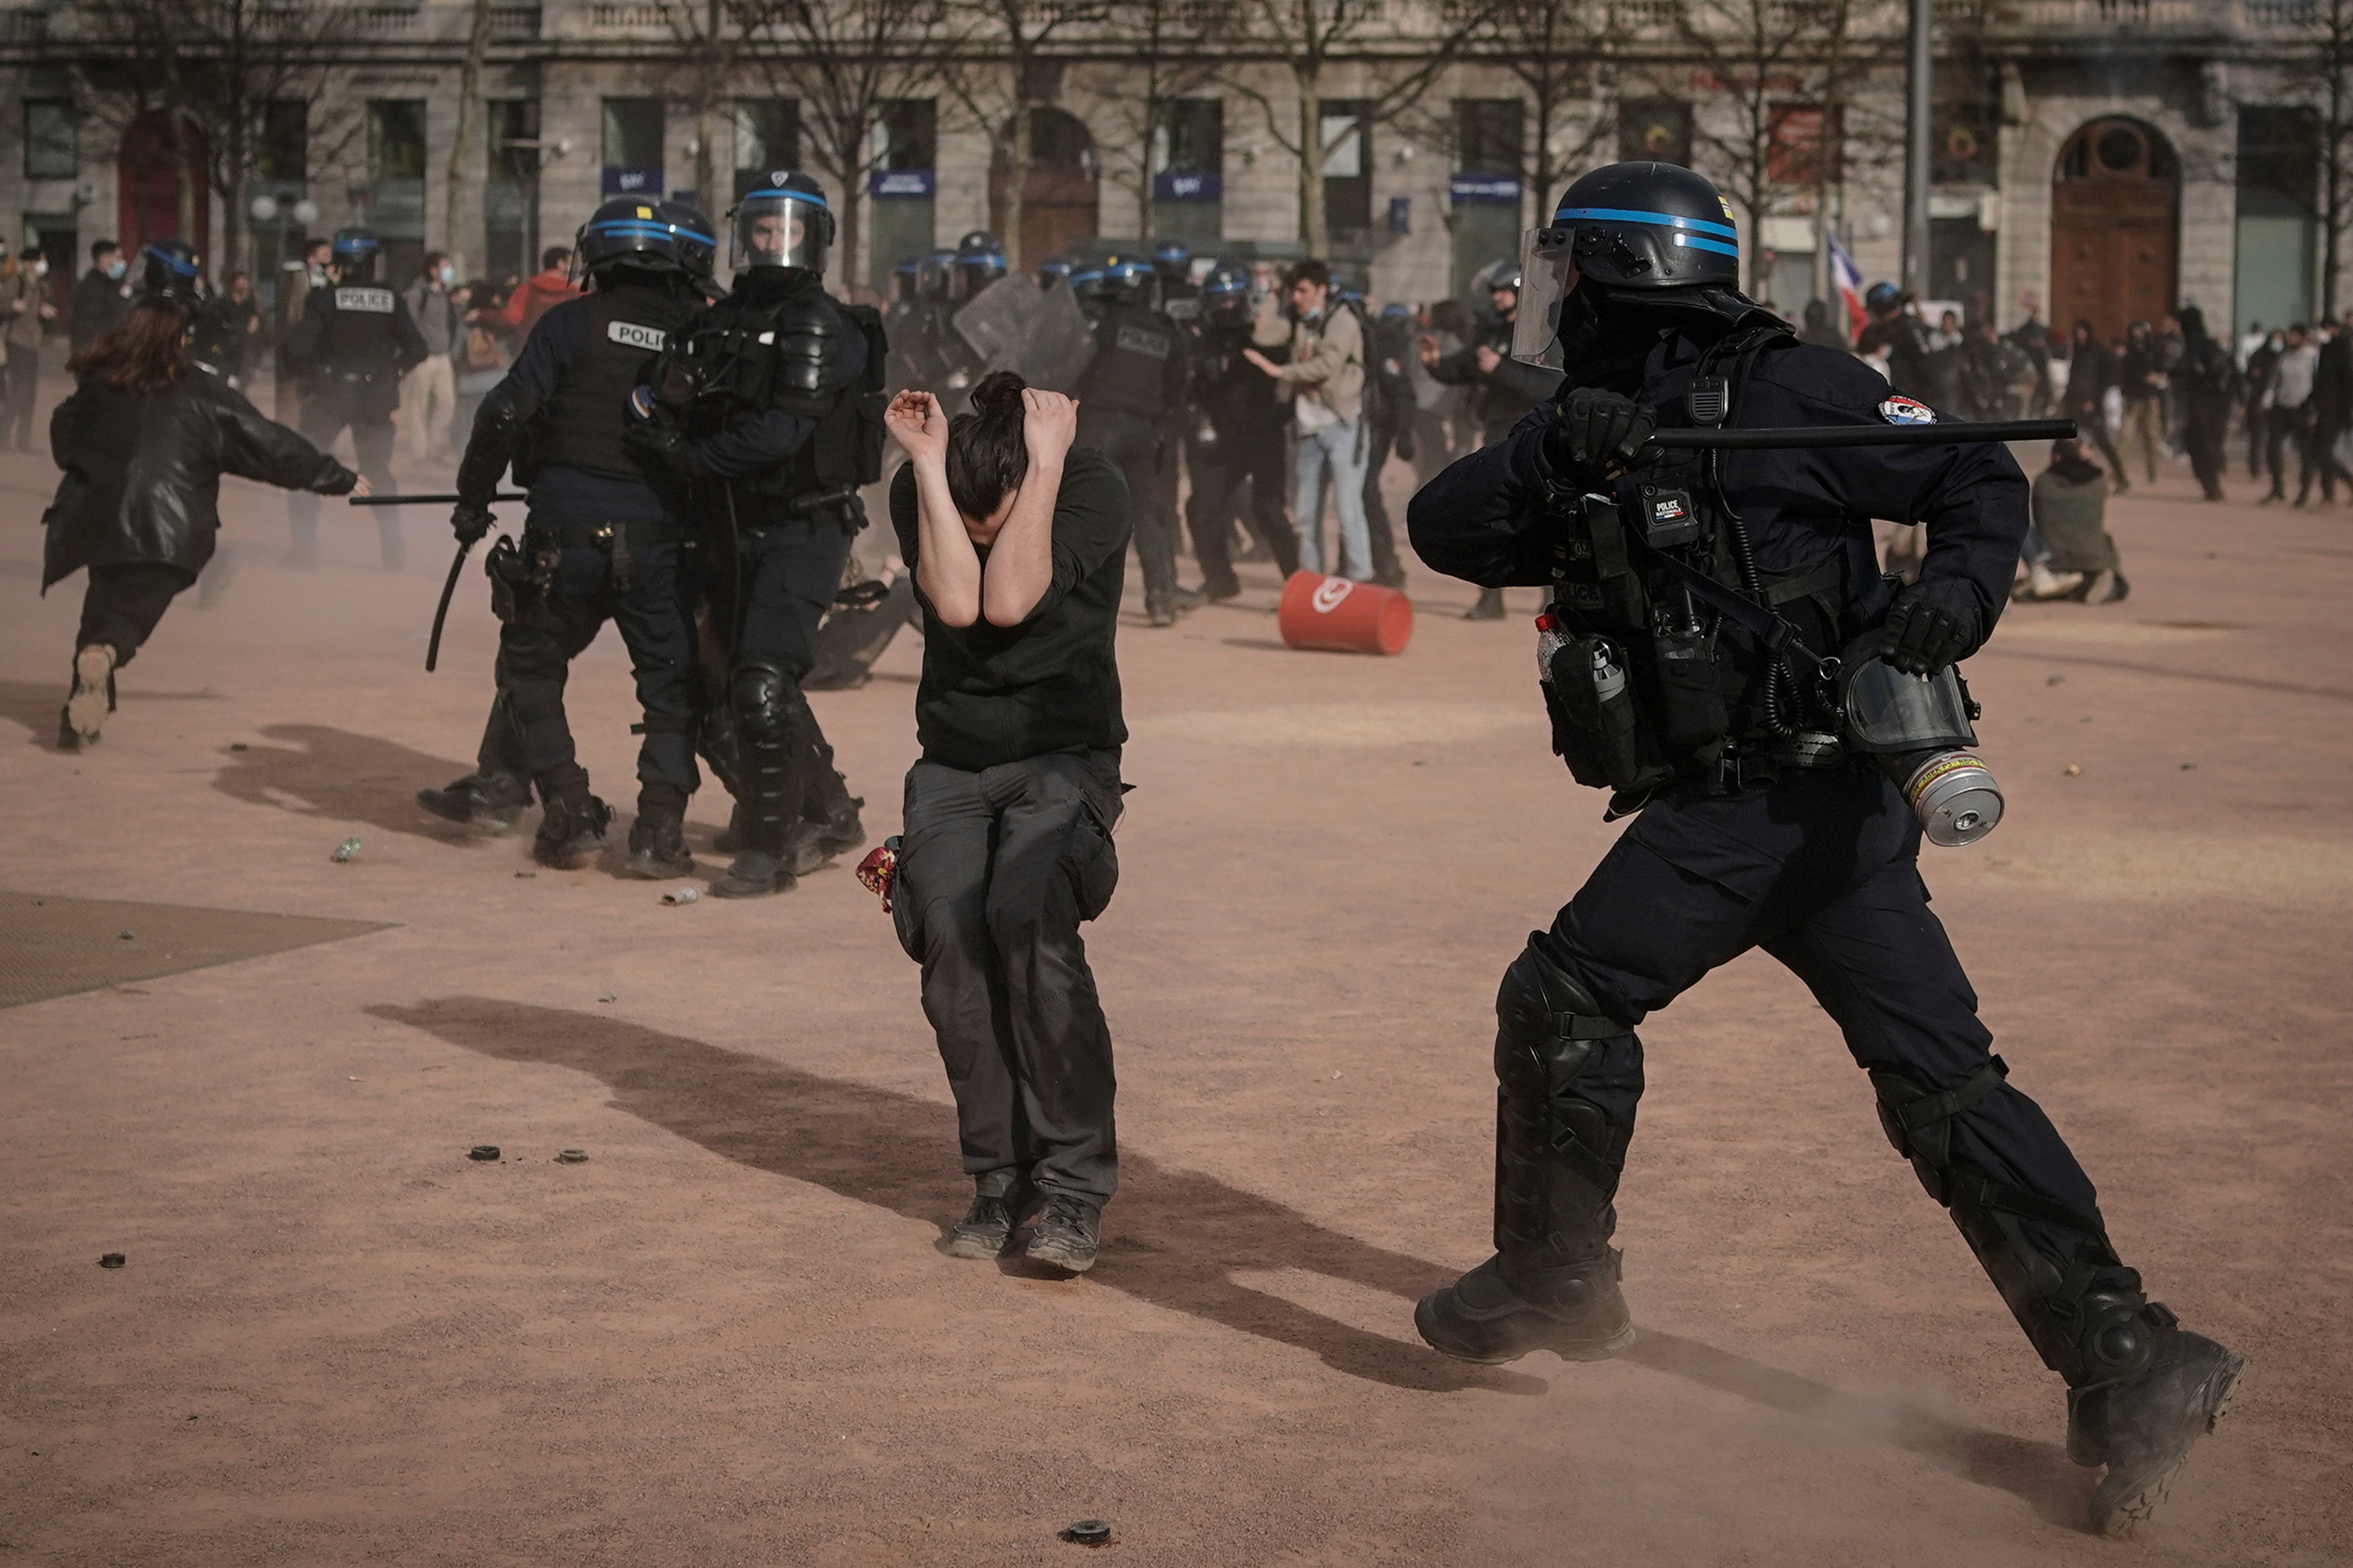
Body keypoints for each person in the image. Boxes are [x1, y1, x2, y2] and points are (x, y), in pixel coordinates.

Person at [1404, 160, 2239, 1539]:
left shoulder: (1798, 390)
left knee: (1562, 996)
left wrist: (1957, 595)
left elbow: (1973, 468)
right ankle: (2130, 1356)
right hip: (1801, 816)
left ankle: (1554, 1274)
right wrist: (1560, 448)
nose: (1557, 297)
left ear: (1622, 275)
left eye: (1571, 271)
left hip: (1776, 799)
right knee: (1943, 1082)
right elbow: (1448, 529)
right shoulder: (1595, 421)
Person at [881, 372, 1130, 1274]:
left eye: (995, 518)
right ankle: (998, 1181)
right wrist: (929, 471)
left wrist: (1050, 466)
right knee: (949, 935)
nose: (981, 542)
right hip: (952, 763)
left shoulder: (1092, 484)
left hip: (1064, 761)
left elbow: (1009, 597)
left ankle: (1071, 1190)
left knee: (1028, 926)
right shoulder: (924, 478)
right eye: (966, 520)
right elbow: (957, 602)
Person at [422, 202, 718, 872]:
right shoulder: (697, 331)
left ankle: (566, 807)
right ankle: (658, 833)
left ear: (596, 256)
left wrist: (473, 501)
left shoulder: (569, 322)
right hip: (657, 543)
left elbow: (503, 411)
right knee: (669, 688)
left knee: (531, 673)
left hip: (564, 534)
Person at [629, 171, 882, 899]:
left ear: (814, 239)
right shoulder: (720, 313)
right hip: (725, 522)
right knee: (733, 680)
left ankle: (770, 847)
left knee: (763, 682)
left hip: (803, 522)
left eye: (787, 230)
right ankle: (830, 811)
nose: (772, 241)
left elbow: (781, 429)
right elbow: (667, 390)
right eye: (762, 229)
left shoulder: (821, 320)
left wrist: (687, 456)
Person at [42, 294, 363, 748]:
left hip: (98, 518)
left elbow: (64, 435)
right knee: (127, 617)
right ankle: (105, 656)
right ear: (178, 340)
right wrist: (335, 476)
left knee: (104, 603)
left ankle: (79, 720)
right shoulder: (202, 390)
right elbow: (265, 443)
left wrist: (93, 466)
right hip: (169, 529)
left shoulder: (100, 384)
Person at [1421, 259, 1566, 619]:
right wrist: (1436, 364)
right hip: (1499, 433)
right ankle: (1491, 600)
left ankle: (1553, 598)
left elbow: (1547, 387)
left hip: (1533, 437)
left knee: (1543, 517)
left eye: (1504, 291)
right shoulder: (1496, 332)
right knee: (1496, 518)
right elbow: (1468, 365)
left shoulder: (1543, 334)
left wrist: (1499, 370)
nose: (1498, 298)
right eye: (1495, 292)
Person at [280, 228, 428, 569]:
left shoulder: (325, 298)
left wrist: (308, 373)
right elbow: (417, 348)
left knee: (307, 466)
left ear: (341, 261)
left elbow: (297, 347)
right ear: (373, 261)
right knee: (377, 471)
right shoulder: (390, 298)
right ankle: (393, 550)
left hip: (330, 395)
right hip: (375, 396)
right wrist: (393, 370)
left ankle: (304, 548)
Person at [1074, 257, 1195, 624]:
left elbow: (1072, 370)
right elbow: (1178, 385)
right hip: (1144, 432)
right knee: (1146, 514)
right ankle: (1161, 598)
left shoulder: (1098, 325)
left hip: (1099, 426)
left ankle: (1069, 598)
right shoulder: (1166, 330)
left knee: (1078, 509)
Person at [1244, 259, 1370, 581]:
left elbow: (1326, 365)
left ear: (1322, 290)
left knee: (1347, 510)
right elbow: (1263, 334)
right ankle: (1313, 584)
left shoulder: (1342, 321)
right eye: (1294, 291)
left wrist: (1279, 372)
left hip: (1343, 427)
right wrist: (1275, 292)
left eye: (1303, 290)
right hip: (1309, 431)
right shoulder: (1300, 324)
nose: (1297, 297)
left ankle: (1360, 580)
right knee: (1305, 515)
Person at [1181, 261, 1300, 597]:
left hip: (1265, 436)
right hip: (1226, 441)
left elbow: (1287, 379)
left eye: (1233, 300)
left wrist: (1280, 418)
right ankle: (1221, 579)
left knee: (1270, 509)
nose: (1227, 307)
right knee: (1201, 506)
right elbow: (1196, 391)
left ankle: (1298, 583)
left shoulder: (1264, 337)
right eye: (1221, 301)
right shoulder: (1203, 344)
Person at [2018, 439, 2126, 603]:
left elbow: (2039, 518)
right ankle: (2101, 579)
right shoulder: (2098, 482)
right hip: (2094, 560)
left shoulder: (2044, 482)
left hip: (2055, 561)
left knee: (2024, 529)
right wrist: (2086, 459)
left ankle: (2044, 576)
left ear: (2056, 457)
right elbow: (2094, 470)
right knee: (2104, 537)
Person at [400, 251, 465, 462]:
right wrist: (420, 347)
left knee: (447, 403)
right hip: (424, 357)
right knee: (418, 406)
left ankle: (436, 445)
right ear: (433, 269)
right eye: (445, 267)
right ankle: (420, 452)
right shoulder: (417, 294)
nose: (448, 272)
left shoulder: (446, 294)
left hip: (443, 356)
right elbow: (410, 323)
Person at [2173, 305, 2233, 503]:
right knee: (2199, 443)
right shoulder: (2201, 345)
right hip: (2204, 403)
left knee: (2202, 443)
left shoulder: (2199, 346)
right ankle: (2210, 483)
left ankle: (2212, 484)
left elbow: (2211, 373)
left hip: (2206, 403)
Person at [3, 240, 57, 450]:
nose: (42, 265)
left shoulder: (42, 287)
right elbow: (2, 303)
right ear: (28, 263)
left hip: (33, 342)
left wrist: (47, 314)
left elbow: (43, 309)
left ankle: (23, 441)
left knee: (30, 394)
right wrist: (11, 306)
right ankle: (4, 436)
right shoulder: (17, 282)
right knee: (19, 392)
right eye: (38, 261)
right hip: (17, 342)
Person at [2062, 319, 2128, 491]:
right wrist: (2065, 401)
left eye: (2082, 331)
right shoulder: (2077, 352)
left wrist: (2095, 401)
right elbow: (2073, 380)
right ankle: (2071, 477)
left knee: (2103, 442)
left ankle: (2121, 478)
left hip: (2092, 406)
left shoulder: (2098, 351)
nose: (2080, 335)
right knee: (2069, 442)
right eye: (2077, 331)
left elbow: (2108, 376)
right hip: (2075, 404)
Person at [274, 237, 332, 423]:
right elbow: (295, 314)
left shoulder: (323, 281)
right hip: (297, 349)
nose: (330, 259)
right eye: (325, 255)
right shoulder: (300, 278)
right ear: (311, 259)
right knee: (291, 398)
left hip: (314, 351)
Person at [2261, 324, 2315, 505]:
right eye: (2290, 336)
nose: (2292, 340)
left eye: (2295, 336)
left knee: (2306, 452)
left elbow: (2318, 384)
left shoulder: (2312, 358)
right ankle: (2277, 488)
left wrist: (2314, 410)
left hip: (2302, 408)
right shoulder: (2284, 357)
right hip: (2282, 407)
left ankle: (2304, 492)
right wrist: (2267, 400)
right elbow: (2274, 381)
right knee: (2272, 449)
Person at [2303, 317, 2353, 506]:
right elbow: (2319, 383)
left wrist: (2346, 414)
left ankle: (2337, 488)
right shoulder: (2324, 351)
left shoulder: (2340, 352)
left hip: (2336, 410)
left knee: (2323, 451)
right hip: (2322, 408)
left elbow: (2347, 385)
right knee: (2318, 452)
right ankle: (2335, 488)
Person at [2118, 321, 2167, 487]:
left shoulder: (2153, 351)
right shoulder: (2127, 352)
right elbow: (2123, 373)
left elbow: (2163, 372)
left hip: (2149, 398)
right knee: (2125, 436)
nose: (2137, 334)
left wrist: (2156, 378)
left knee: (2152, 437)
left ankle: (2153, 472)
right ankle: (2118, 471)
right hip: (2132, 398)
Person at [500, 245, 580, 337]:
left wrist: (484, 315)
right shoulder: (577, 292)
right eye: (571, 263)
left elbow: (511, 318)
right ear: (560, 264)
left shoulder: (527, 289)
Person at [70, 240, 130, 358]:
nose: (122, 263)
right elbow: (91, 322)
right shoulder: (91, 286)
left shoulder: (111, 284)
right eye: (118, 258)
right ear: (103, 259)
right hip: (96, 353)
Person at [2241, 327, 2282, 481]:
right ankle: (2255, 468)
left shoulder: (2284, 357)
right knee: (2256, 437)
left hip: (2279, 403)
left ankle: (2275, 469)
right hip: (2258, 401)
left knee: (2274, 440)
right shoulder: (2260, 355)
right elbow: (2249, 374)